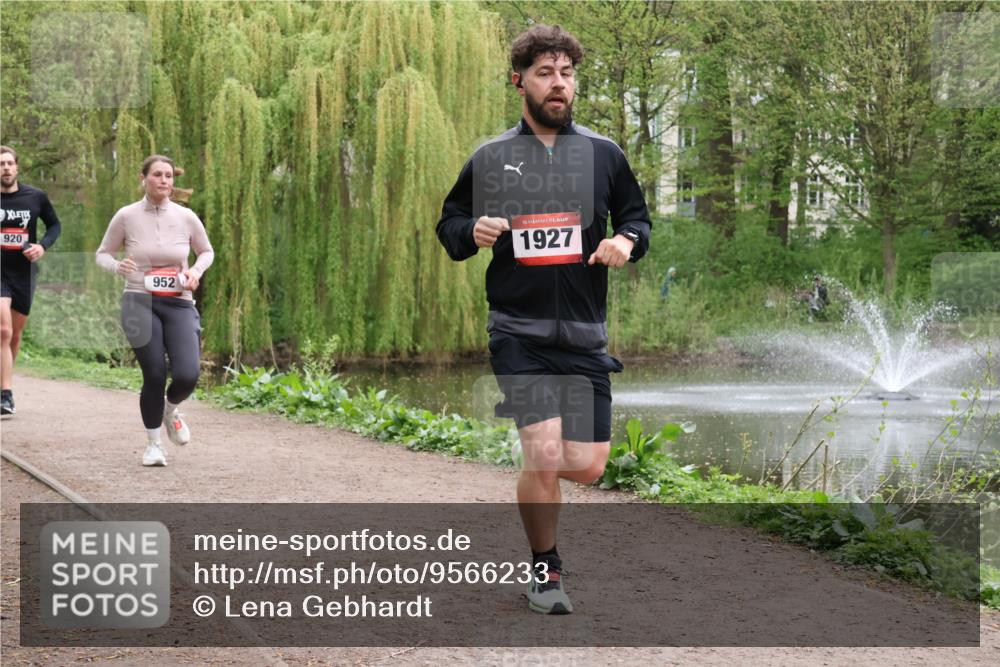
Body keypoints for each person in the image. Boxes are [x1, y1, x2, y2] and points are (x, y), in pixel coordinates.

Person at [436, 25, 652, 614]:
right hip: (519, 335)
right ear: (519, 82)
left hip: (584, 339)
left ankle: (545, 501)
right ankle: (546, 571)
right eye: (545, 73)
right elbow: (450, 225)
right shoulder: (492, 157)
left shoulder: (603, 155)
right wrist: (472, 231)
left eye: (566, 74)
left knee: (584, 467)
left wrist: (627, 241)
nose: (559, 85)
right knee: (543, 453)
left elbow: (638, 219)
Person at [96, 155, 213, 466]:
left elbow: (206, 251)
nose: (165, 180)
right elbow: (102, 254)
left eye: (169, 176)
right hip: (138, 300)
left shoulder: (186, 216)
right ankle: (153, 445)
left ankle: (170, 409)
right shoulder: (126, 215)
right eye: (158, 175)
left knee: (188, 375)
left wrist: (196, 271)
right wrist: (117, 265)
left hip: (178, 301)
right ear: (143, 178)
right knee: (155, 373)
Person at [1, 145, 62, 416]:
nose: (5, 168)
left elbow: (54, 225)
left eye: (9, 164)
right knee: (3, 332)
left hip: (24, 273)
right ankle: (6, 394)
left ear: (17, 167)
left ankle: (3, 383)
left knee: (14, 337)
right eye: (1, 164)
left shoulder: (35, 197)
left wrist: (43, 246)